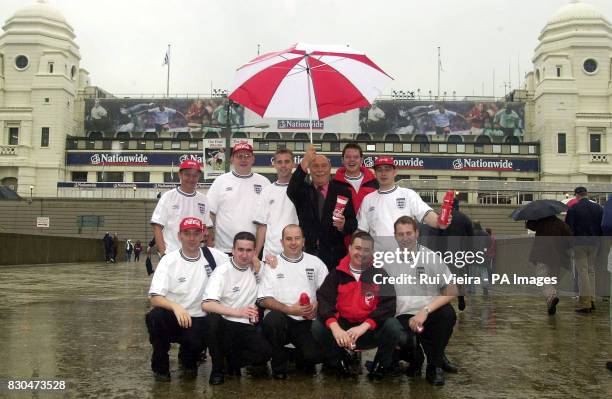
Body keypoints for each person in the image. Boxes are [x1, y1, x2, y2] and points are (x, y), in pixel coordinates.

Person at [312, 231, 401, 380]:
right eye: (358, 248)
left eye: (366, 250)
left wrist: (365, 326)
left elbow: (388, 307)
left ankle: (380, 365)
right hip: (343, 331)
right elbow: (325, 301)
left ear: (372, 252)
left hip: (367, 330)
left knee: (393, 326)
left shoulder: (380, 274)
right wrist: (336, 328)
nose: (361, 253)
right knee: (317, 326)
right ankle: (339, 361)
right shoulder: (336, 274)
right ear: (350, 248)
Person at [145, 217, 226, 382]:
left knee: (191, 363)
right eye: (187, 233)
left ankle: (188, 357)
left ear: (203, 235)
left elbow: (240, 260)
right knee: (155, 317)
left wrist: (256, 261)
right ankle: (160, 365)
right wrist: (176, 307)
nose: (192, 238)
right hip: (174, 316)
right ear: (179, 235)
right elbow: (154, 297)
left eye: (196, 233)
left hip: (197, 319)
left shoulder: (214, 256)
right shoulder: (169, 260)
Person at [389, 216, 458, 385]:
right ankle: (416, 359)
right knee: (400, 337)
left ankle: (434, 366)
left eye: (409, 233)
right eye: (400, 234)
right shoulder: (387, 261)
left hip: (428, 311)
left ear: (417, 233)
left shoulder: (430, 257)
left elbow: (452, 289)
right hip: (403, 315)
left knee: (447, 314)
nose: (405, 238)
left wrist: (425, 311)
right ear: (395, 236)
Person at [257, 224, 328, 379]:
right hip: (281, 319)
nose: (293, 242)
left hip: (306, 321)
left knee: (313, 357)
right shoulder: (272, 264)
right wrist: (289, 309)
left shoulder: (316, 263)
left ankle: (294, 354)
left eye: (297, 238)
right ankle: (278, 367)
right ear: (281, 242)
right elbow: (263, 299)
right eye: (288, 239)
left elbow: (328, 294)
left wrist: (317, 306)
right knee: (274, 320)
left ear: (303, 241)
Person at [202, 232, 271, 385]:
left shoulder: (258, 269)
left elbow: (278, 270)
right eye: (240, 249)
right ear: (233, 250)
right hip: (225, 323)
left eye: (248, 250)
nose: (244, 254)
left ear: (254, 252)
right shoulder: (222, 271)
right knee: (211, 320)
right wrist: (237, 312)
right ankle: (217, 369)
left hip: (246, 326)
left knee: (265, 352)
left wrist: (269, 262)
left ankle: (231, 362)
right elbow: (206, 304)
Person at [287, 145, 357, 270]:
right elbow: (292, 188)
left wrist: (343, 225)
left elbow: (352, 223)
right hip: (308, 253)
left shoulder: (343, 192)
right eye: (315, 166)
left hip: (334, 255)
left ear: (330, 169)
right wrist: (306, 160)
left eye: (324, 166)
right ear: (309, 169)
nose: (320, 170)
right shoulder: (303, 192)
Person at [357, 156, 449, 251]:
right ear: (375, 173)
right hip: (379, 258)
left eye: (387, 169)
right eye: (379, 170)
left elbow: (426, 214)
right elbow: (361, 230)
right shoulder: (368, 199)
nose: (383, 173)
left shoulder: (408, 194)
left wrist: (439, 222)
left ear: (395, 172)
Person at [207, 142, 271, 255]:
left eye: (247, 156)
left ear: (253, 159)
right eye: (239, 156)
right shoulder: (220, 181)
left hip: (252, 251)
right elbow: (210, 214)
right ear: (232, 159)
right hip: (223, 250)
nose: (243, 160)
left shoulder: (264, 182)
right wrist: (209, 242)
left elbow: (266, 220)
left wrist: (256, 252)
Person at [151, 159, 213, 256]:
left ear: (199, 177)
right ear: (180, 175)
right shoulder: (168, 197)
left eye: (195, 176)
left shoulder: (203, 200)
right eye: (187, 175)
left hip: (195, 256)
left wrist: (210, 255)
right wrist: (163, 253)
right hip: (172, 254)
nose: (191, 179)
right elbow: (157, 227)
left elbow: (208, 230)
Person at [254, 149, 299, 259]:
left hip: (295, 253)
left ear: (293, 163)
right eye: (279, 162)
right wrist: (255, 255)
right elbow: (262, 226)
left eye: (287, 161)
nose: (283, 165)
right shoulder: (267, 191)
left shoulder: (302, 190)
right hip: (271, 255)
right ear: (274, 164)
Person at [565, 187, 603, 313]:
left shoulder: (573, 209)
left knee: (582, 272)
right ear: (586, 194)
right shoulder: (598, 208)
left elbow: (568, 228)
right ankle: (591, 299)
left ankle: (585, 303)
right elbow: (602, 226)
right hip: (595, 243)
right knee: (591, 271)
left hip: (579, 243)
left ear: (576, 195)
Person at [525, 216, 572, 315]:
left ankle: (551, 298)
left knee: (542, 277)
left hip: (543, 254)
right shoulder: (561, 224)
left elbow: (530, 225)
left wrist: (530, 217)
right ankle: (550, 304)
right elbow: (570, 238)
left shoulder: (540, 222)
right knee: (553, 280)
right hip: (558, 256)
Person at [333, 143, 378, 215]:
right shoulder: (334, 184)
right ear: (342, 160)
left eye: (356, 157)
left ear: (361, 160)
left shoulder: (374, 182)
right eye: (348, 157)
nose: (352, 160)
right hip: (345, 226)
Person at [471, 221, 491, 295]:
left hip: (473, 255)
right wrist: (485, 249)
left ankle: (472, 289)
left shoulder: (471, 234)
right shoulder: (485, 234)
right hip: (483, 255)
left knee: (472, 273)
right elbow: (489, 243)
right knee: (484, 272)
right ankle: (485, 286)